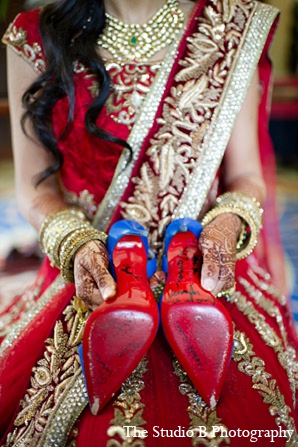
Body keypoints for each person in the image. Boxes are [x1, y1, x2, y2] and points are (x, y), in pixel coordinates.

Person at [1, 0, 298, 445]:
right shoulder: (35, 36)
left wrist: (226, 224)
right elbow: (32, 188)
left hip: (200, 273)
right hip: (90, 274)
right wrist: (75, 241)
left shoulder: (230, 28)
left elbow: (246, 176)